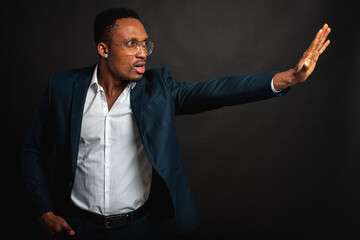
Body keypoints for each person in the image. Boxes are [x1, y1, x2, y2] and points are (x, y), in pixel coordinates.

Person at [21, 7, 331, 240]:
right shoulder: (63, 88)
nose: (142, 53)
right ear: (103, 49)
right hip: (76, 227)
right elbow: (33, 149)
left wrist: (289, 77)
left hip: (136, 228)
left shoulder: (159, 89)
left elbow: (218, 91)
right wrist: (43, 211)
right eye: (131, 44)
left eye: (145, 44)